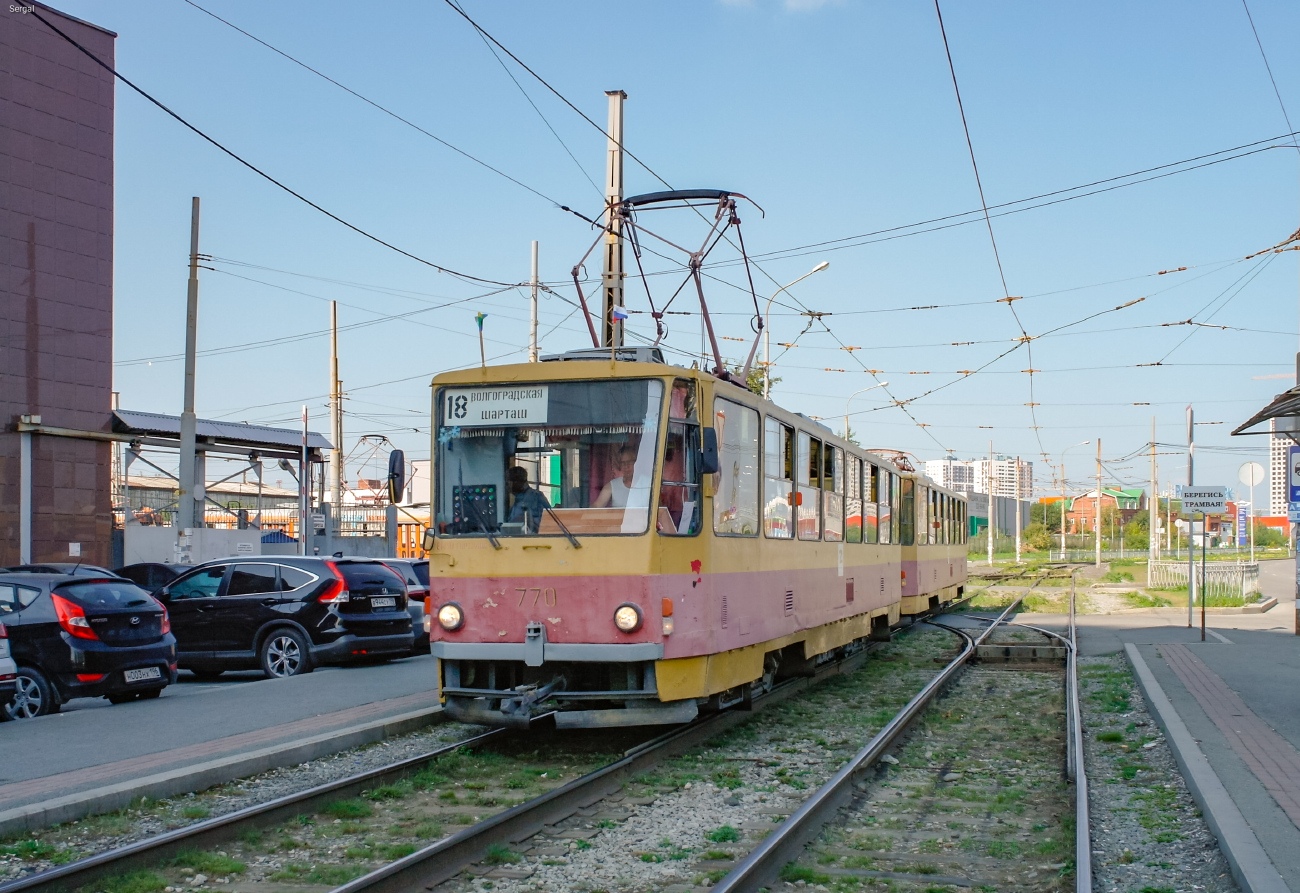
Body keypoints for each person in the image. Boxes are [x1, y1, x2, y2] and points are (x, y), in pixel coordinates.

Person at [594, 445, 647, 509]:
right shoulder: (612, 486)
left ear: (637, 463)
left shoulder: (649, 484)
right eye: (623, 463)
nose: (626, 466)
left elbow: (659, 510)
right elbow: (596, 506)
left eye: (629, 462)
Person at [506, 465, 550, 534]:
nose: (507, 486)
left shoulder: (535, 497)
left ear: (517, 482)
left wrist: (525, 519)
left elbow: (546, 522)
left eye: (508, 482)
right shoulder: (517, 499)